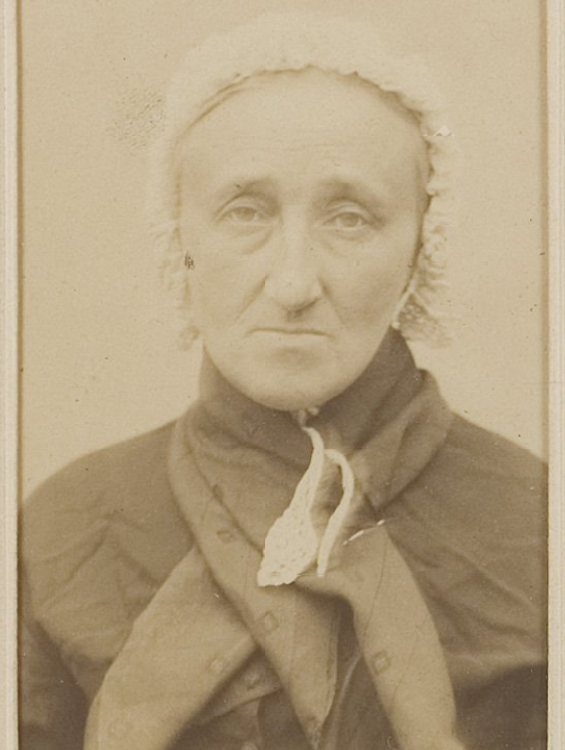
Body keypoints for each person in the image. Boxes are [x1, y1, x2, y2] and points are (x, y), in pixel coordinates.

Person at [19, 12, 547, 750]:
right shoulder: (66, 527)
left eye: (350, 218)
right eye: (245, 212)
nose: (294, 283)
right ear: (181, 238)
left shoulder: (536, 522)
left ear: (418, 249)